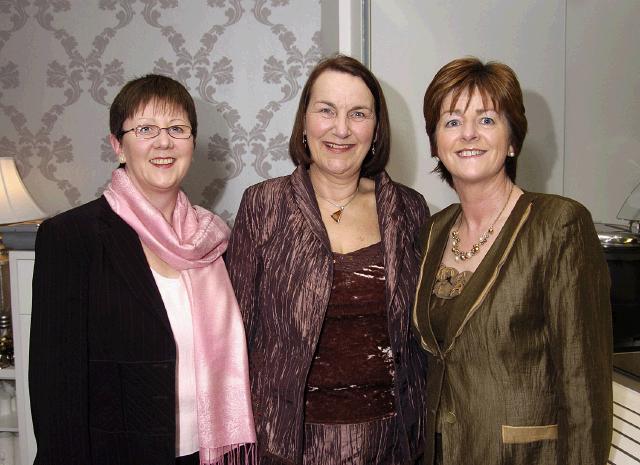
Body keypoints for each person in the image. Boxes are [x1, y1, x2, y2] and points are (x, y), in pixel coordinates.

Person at [29, 74, 256, 465]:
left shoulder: (213, 240)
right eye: (145, 129)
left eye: (177, 129)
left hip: (207, 453)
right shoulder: (71, 237)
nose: (163, 142)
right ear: (118, 145)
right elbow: (55, 390)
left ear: (192, 143)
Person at [226, 55, 429, 464]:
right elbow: (236, 336)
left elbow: (423, 341)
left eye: (358, 113)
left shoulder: (409, 210)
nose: (341, 128)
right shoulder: (263, 204)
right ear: (304, 122)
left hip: (390, 441)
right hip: (286, 443)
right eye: (326, 110)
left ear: (376, 129)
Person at [412, 57, 613, 465]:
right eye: (451, 122)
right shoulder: (432, 231)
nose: (468, 133)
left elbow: (584, 388)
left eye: (486, 120)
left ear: (513, 140)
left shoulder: (558, 224)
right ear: (435, 143)